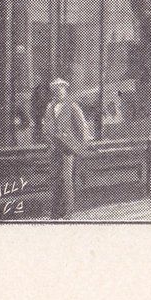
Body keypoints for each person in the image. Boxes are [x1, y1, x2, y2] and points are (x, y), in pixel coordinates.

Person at [42, 78, 90, 219]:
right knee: (55, 178)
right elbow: (46, 126)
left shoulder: (72, 106)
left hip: (68, 147)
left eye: (61, 89)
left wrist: (81, 146)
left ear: (65, 90)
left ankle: (68, 211)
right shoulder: (50, 107)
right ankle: (56, 212)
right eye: (55, 90)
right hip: (54, 147)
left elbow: (83, 127)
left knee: (66, 178)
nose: (58, 92)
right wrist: (48, 139)